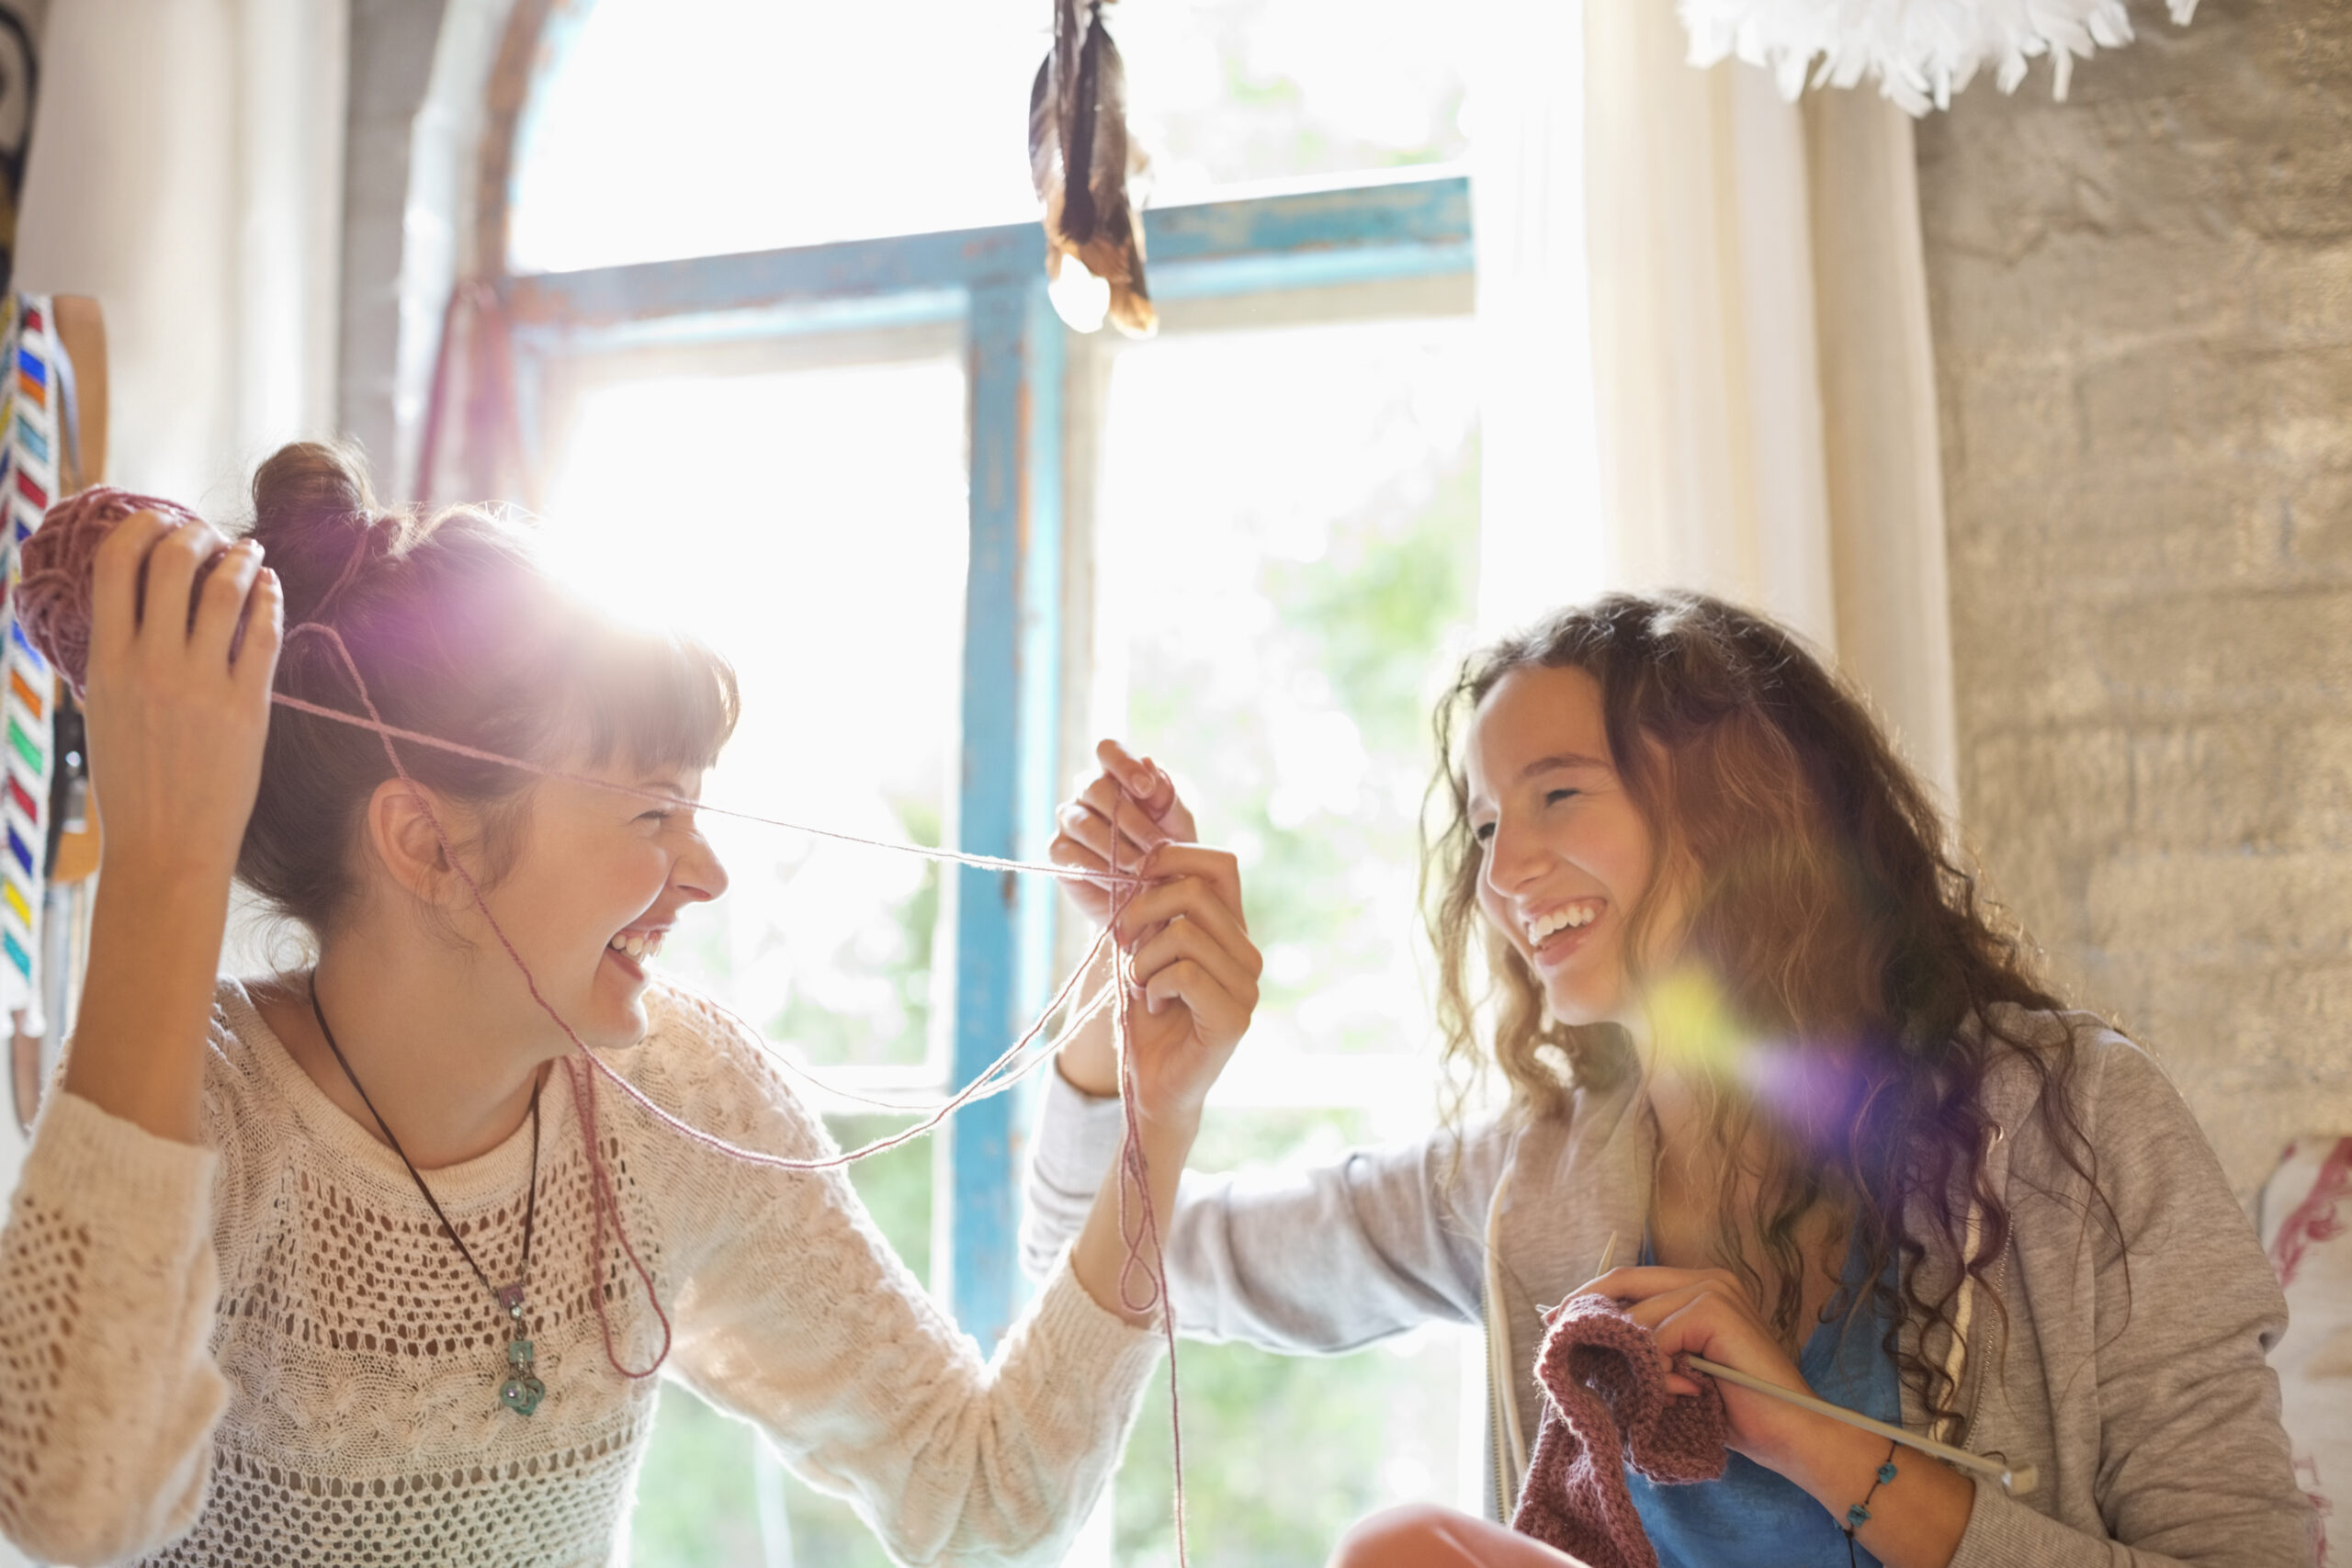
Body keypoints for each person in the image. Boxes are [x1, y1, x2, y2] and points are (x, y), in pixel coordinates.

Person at [0, 442, 1262, 1566]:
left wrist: (1160, 1116)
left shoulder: (678, 1100)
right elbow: (72, 1507)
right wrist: (163, 864)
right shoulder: (207, 1104)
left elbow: (989, 1499)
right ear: (427, 846)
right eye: (654, 813)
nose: (705, 875)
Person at [1026, 592, 2312, 1568]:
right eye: (1482, 824)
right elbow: (1103, 1276)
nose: (1501, 869)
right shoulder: (1534, 1174)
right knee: (1406, 1549)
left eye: (1558, 794)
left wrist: (1809, 1434)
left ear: (1741, 803)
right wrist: (1135, 1051)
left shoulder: (2075, 1121)